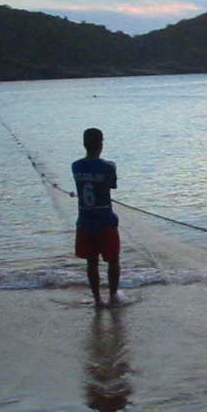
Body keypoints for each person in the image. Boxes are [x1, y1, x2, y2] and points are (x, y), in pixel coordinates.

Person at [72, 127, 121, 308]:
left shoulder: (75, 166)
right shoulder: (108, 166)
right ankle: (113, 297)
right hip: (106, 221)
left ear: (84, 144)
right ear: (101, 144)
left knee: (91, 262)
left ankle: (98, 299)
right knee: (113, 260)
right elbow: (113, 184)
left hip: (85, 223)